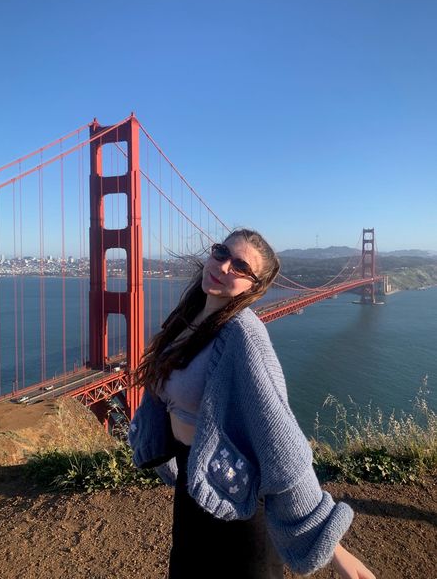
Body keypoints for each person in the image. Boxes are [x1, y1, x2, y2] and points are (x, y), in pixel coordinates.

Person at [129, 228, 375, 579]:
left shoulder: (243, 335)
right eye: (221, 253)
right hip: (196, 488)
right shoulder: (188, 320)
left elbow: (283, 447)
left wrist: (336, 551)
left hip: (241, 511)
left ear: (254, 288)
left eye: (241, 266)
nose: (224, 266)